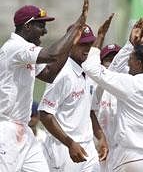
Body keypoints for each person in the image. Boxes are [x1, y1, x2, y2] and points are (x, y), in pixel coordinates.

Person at [0, 0, 88, 172]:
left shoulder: (26, 52)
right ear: (27, 26)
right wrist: (76, 27)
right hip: (6, 130)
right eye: (41, 25)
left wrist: (70, 43)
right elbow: (52, 54)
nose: (45, 31)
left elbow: (49, 74)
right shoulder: (15, 47)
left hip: (24, 130)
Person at [82, 17, 143, 172]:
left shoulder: (130, 84)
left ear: (139, 63)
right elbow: (113, 72)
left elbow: (92, 68)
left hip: (131, 158)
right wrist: (131, 45)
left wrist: (102, 36)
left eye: (130, 59)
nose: (128, 64)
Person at [38, 23, 109, 172]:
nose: (88, 48)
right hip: (64, 148)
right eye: (83, 44)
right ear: (70, 45)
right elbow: (45, 114)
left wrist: (100, 137)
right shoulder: (62, 74)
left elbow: (89, 110)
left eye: (90, 43)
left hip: (88, 146)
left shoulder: (89, 70)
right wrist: (69, 143)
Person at [91, 43, 121, 171]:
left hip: (120, 151)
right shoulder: (93, 85)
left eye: (116, 59)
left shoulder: (127, 86)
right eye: (109, 60)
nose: (112, 64)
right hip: (98, 150)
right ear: (101, 63)